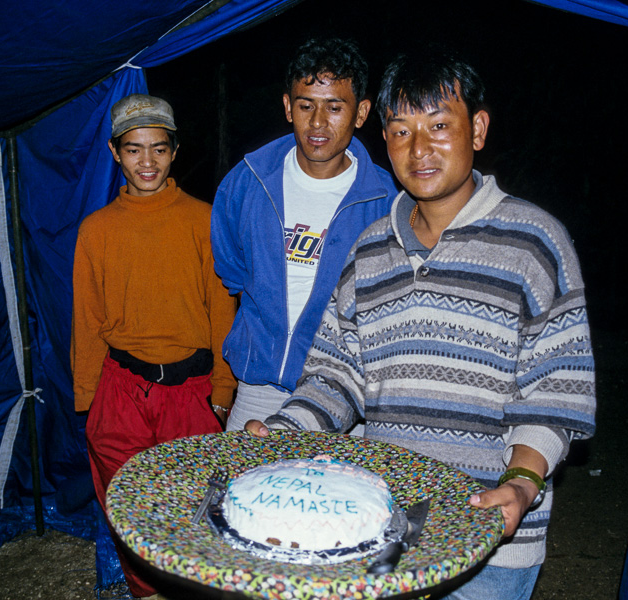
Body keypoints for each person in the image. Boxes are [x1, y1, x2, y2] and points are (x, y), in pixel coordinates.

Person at [248, 48, 596, 600]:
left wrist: (524, 483)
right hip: (386, 530)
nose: (420, 149)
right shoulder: (368, 251)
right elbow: (337, 377)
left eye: (439, 126)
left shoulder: (534, 242)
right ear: (384, 140)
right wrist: (286, 432)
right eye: (402, 130)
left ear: (477, 129)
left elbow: (558, 395)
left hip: (491, 538)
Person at [72, 93, 236, 599]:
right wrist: (89, 401)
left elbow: (221, 310)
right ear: (115, 152)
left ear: (175, 150)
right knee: (132, 511)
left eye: (159, 149)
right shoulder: (96, 230)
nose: (148, 162)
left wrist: (223, 391)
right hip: (120, 392)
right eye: (135, 149)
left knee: (195, 509)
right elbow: (87, 320)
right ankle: (144, 592)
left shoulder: (204, 219)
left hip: (189, 393)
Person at [211, 37, 397, 432]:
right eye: (305, 105)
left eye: (334, 107)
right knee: (240, 490)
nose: (317, 122)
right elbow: (232, 273)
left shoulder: (386, 201)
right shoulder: (247, 182)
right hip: (258, 388)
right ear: (287, 106)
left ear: (361, 112)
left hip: (346, 395)